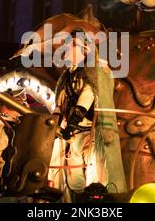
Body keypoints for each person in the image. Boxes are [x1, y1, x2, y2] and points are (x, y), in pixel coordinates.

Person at [53, 29, 126, 201]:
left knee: (96, 179)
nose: (65, 50)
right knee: (73, 179)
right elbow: (59, 104)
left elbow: (89, 95)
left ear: (83, 48)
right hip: (72, 137)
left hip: (92, 135)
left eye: (70, 46)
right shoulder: (66, 77)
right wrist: (54, 122)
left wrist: (73, 122)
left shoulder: (97, 69)